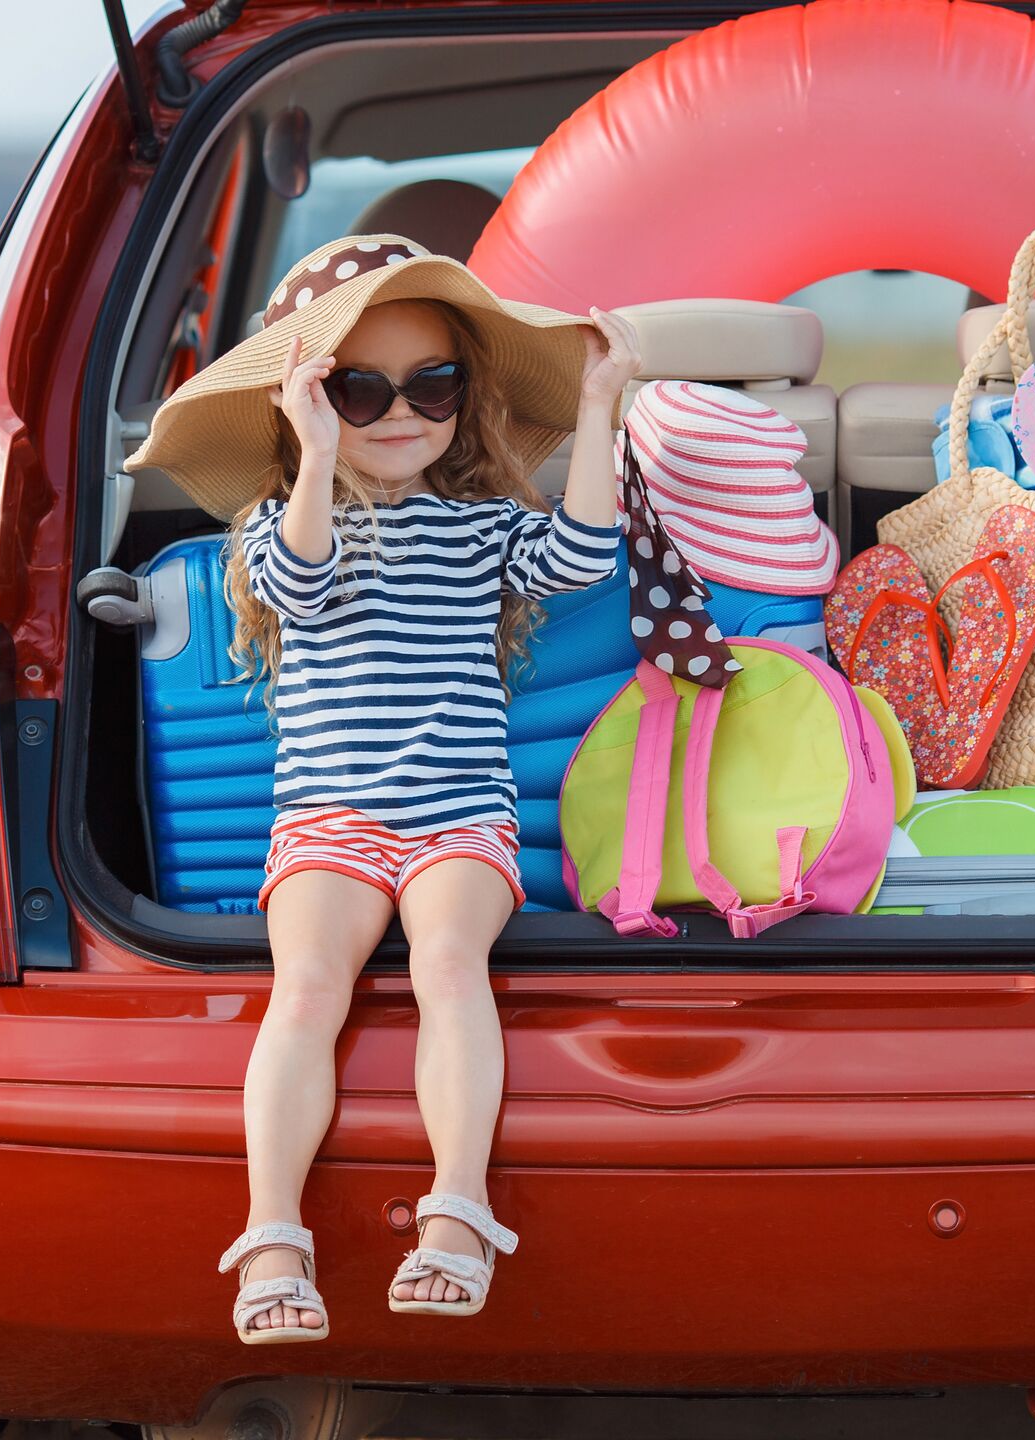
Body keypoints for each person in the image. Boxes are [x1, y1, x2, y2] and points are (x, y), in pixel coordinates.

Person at [122, 234, 642, 1345]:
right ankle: (271, 1233)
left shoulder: (483, 527)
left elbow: (584, 558)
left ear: (468, 394)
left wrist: (599, 408)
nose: (399, 413)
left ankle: (458, 1213)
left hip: (459, 814)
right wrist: (315, 456)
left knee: (454, 966)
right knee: (307, 988)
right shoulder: (277, 525)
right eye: (359, 389)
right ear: (310, 403)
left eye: (433, 384)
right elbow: (300, 587)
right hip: (331, 820)